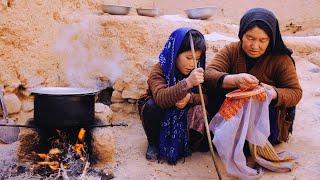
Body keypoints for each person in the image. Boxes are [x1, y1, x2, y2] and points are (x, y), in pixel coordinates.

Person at [205, 8, 302, 145]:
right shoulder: (232, 50)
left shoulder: (281, 59)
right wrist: (234, 80)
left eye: (263, 40)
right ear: (241, 34)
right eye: (250, 38)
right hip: (233, 116)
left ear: (271, 39)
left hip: (265, 124)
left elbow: (295, 92)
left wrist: (272, 93)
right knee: (212, 90)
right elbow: (209, 73)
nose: (255, 46)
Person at [138, 27, 208, 164]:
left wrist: (190, 98)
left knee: (201, 111)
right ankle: (153, 143)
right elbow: (161, 98)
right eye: (188, 58)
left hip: (183, 115)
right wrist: (187, 83)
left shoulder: (197, 71)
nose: (192, 63)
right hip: (162, 113)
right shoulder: (160, 69)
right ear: (175, 53)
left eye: (197, 59)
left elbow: (206, 98)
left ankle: (187, 143)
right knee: (151, 106)